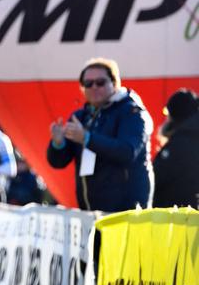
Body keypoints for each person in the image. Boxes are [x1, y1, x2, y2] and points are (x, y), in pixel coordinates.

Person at [47, 57, 153, 212]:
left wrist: (87, 138)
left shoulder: (132, 112)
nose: (94, 87)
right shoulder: (81, 116)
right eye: (88, 84)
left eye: (100, 82)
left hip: (126, 213)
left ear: (114, 83)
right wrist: (58, 143)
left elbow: (127, 152)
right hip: (91, 213)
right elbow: (58, 162)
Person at [152, 89, 199, 208]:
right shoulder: (190, 137)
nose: (166, 119)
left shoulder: (181, 142)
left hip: (176, 215)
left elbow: (156, 177)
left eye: (167, 113)